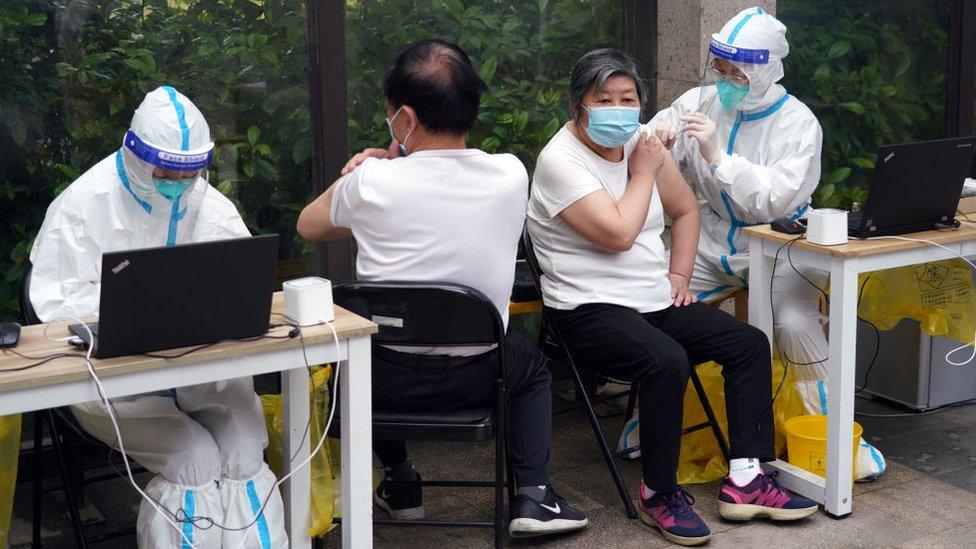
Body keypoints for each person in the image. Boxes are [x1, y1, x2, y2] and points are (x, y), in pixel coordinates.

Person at [296, 39, 588, 539]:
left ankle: (403, 485)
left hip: (379, 383)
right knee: (534, 370)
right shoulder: (510, 174)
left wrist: (369, 166)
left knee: (373, 344)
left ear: (404, 118)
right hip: (480, 375)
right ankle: (533, 497)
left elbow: (309, 225)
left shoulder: (371, 184)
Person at [527, 48, 819, 546]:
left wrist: (679, 271)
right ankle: (659, 494)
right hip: (586, 309)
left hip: (651, 298)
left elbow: (685, 210)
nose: (619, 109)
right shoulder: (561, 161)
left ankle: (747, 477)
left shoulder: (640, 144)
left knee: (746, 344)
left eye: (629, 98)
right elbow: (618, 233)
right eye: (605, 99)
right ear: (579, 104)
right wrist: (644, 171)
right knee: (666, 361)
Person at [29, 86, 286, 548]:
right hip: (115, 385)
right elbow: (52, 311)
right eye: (166, 169)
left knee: (245, 451)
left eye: (188, 172)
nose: (177, 180)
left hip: (203, 372)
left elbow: (241, 280)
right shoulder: (83, 204)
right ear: (135, 154)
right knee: (193, 457)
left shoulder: (207, 203)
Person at [645, 6, 884, 480]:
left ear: (767, 69)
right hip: (711, 239)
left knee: (795, 322)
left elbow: (775, 199)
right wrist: (657, 135)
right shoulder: (702, 100)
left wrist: (718, 156)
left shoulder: (798, 123)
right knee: (655, 306)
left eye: (739, 72)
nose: (727, 79)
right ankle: (653, 428)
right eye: (722, 68)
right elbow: (649, 133)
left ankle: (835, 443)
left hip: (779, 246)